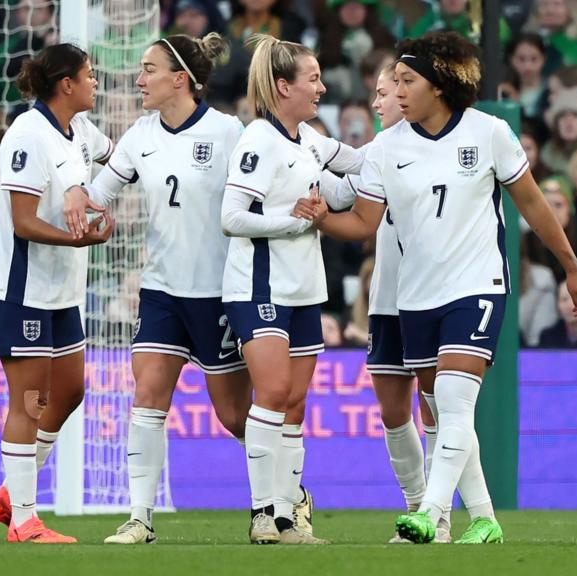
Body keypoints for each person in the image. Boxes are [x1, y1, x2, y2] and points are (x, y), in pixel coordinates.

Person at [297, 31, 577, 544]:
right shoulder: (388, 146)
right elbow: (365, 222)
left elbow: (535, 204)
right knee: (440, 413)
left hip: (477, 285)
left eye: (408, 81)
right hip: (415, 296)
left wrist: (572, 267)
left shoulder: (490, 132)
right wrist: (321, 220)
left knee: (453, 402)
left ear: (440, 85)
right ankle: (486, 518)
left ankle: (430, 514)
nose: (397, 91)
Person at [63, 32, 254, 545]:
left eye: (149, 69)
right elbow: (100, 196)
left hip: (218, 293)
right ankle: (140, 517)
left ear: (181, 79)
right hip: (162, 291)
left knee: (236, 416)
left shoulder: (228, 132)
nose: (139, 78)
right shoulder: (139, 135)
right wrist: (80, 203)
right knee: (147, 397)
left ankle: (281, 502)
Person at [219, 33, 362, 545]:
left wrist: (406, 150)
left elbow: (359, 168)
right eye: (313, 78)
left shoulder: (311, 140)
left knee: (295, 403)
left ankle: (288, 517)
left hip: (304, 286)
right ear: (284, 86)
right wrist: (294, 220)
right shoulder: (259, 139)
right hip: (260, 285)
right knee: (274, 393)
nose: (322, 87)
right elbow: (232, 217)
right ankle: (262, 514)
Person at [0, 43, 114, 544]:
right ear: (67, 85)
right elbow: (24, 222)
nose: (96, 83)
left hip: (60, 289)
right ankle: (24, 521)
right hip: (21, 289)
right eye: (90, 75)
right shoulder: (27, 135)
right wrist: (78, 237)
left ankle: (12, 494)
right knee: (30, 401)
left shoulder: (77, 131)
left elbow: (113, 156)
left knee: (71, 390)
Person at [317, 61, 450, 542]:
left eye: (383, 92)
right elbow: (340, 194)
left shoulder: (446, 146)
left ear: (410, 94)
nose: (375, 102)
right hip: (387, 294)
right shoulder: (378, 151)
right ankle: (416, 505)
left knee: (434, 404)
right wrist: (301, 157)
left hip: (433, 292)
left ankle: (439, 516)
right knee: (392, 407)